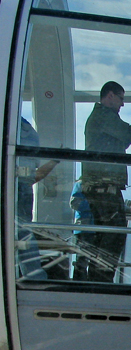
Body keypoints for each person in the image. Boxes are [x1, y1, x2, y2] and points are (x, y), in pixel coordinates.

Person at [77, 81, 131, 281]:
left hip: (98, 185)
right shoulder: (104, 115)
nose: (122, 104)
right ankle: (101, 280)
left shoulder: (100, 118)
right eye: (120, 98)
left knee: (104, 234)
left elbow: (123, 140)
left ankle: (96, 279)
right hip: (103, 186)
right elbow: (127, 133)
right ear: (110, 96)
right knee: (113, 233)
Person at [16, 117, 58, 280]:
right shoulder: (28, 130)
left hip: (15, 186)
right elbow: (34, 176)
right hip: (24, 187)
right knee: (24, 233)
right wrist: (54, 161)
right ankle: (35, 278)